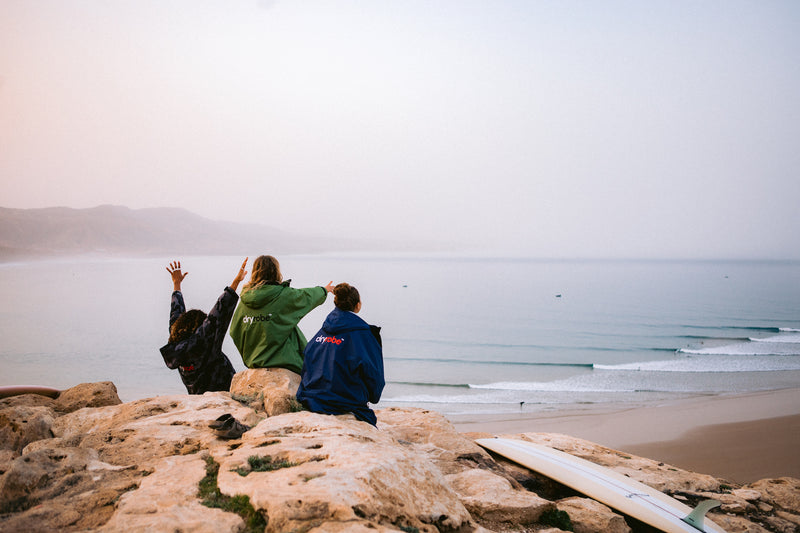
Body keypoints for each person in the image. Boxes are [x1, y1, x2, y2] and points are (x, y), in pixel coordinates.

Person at [296, 283, 385, 426]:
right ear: (357, 305)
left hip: (313, 400)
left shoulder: (323, 332)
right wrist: (372, 397)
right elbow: (374, 377)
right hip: (345, 403)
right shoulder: (363, 335)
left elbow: (307, 361)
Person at [229, 255, 333, 374]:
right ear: (276, 272)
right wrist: (324, 290)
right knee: (291, 328)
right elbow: (307, 296)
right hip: (286, 362)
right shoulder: (283, 295)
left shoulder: (244, 300)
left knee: (286, 324)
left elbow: (234, 331)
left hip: (253, 361)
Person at [160, 258, 248, 395]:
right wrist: (236, 282)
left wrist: (176, 284)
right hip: (223, 396)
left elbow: (175, 313)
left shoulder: (176, 347)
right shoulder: (204, 343)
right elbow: (220, 311)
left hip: (197, 396)